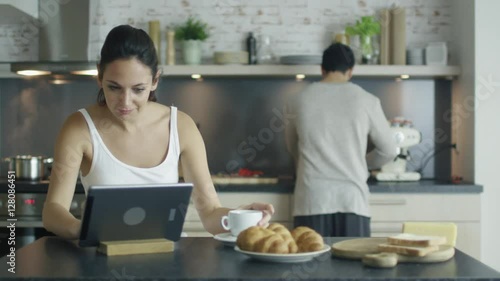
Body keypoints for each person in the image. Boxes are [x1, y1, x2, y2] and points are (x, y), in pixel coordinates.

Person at [42, 25, 274, 239]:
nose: (125, 101)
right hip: (101, 259)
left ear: (155, 81)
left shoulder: (181, 127)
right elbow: (53, 211)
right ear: (99, 77)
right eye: (114, 87)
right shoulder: (78, 127)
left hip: (167, 261)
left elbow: (210, 212)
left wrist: (240, 217)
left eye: (138, 89)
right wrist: (82, 228)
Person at [285, 43, 397, 237]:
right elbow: (389, 150)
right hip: (352, 202)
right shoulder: (367, 100)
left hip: (312, 201)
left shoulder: (298, 100)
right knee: (353, 266)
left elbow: (292, 147)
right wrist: (364, 163)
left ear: (322, 69)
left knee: (311, 261)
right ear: (351, 71)